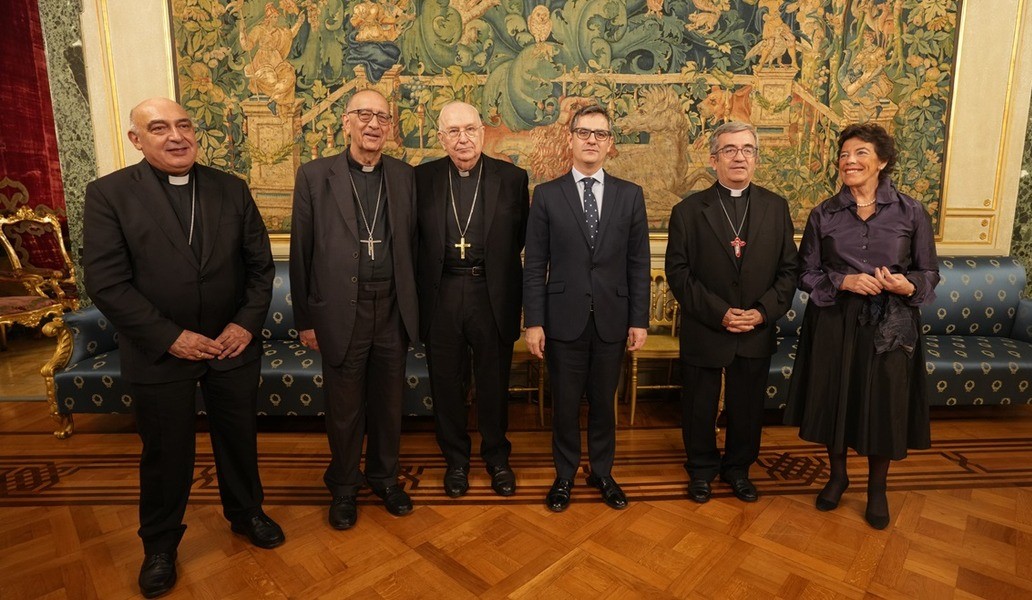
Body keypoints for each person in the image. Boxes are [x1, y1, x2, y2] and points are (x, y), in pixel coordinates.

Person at [83, 97, 283, 599]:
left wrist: (243, 325)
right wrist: (170, 336)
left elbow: (261, 269)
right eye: (158, 128)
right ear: (136, 139)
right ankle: (160, 545)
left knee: (238, 439)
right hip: (160, 350)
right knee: (166, 452)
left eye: (183, 125)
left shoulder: (230, 189)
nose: (176, 136)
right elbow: (106, 283)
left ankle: (247, 514)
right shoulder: (109, 195)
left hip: (230, 346)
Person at [784, 122, 940, 530]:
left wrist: (908, 284)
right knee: (836, 398)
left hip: (892, 323)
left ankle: (877, 489)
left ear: (882, 161)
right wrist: (844, 280)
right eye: (843, 155)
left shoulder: (912, 211)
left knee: (884, 404)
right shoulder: (824, 213)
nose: (849, 161)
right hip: (835, 319)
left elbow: (929, 271)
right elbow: (805, 272)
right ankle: (837, 477)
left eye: (860, 154)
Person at [289, 89, 419, 530]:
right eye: (364, 114)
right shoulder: (314, 176)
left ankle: (383, 477)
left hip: (392, 308)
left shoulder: (404, 176)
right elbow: (301, 251)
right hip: (342, 309)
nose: (374, 124)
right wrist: (305, 320)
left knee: (388, 401)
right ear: (346, 122)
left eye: (383, 117)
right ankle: (344, 486)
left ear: (390, 127)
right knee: (344, 405)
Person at [523, 104, 650, 512]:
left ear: (610, 143)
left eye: (600, 133)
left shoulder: (630, 195)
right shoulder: (546, 195)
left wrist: (639, 319)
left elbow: (638, 262)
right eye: (584, 132)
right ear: (571, 139)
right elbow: (534, 263)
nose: (592, 139)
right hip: (563, 320)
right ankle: (564, 476)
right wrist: (534, 322)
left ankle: (602, 472)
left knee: (603, 402)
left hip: (612, 318)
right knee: (564, 403)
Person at [665, 121, 798, 505]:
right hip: (707, 326)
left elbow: (789, 271)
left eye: (747, 149)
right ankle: (702, 469)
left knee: (747, 407)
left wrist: (761, 313)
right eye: (729, 149)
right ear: (713, 159)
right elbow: (679, 273)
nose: (739, 156)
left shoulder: (776, 207)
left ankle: (739, 469)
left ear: (756, 158)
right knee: (699, 405)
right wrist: (721, 313)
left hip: (755, 329)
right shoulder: (688, 210)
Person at [415, 101, 529, 498]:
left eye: (470, 130)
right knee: (446, 384)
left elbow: (520, 238)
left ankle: (497, 458)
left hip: (491, 292)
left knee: (494, 383)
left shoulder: (513, 178)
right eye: (453, 132)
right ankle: (456, 461)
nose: (463, 139)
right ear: (441, 138)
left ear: (482, 132)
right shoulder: (422, 178)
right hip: (442, 292)